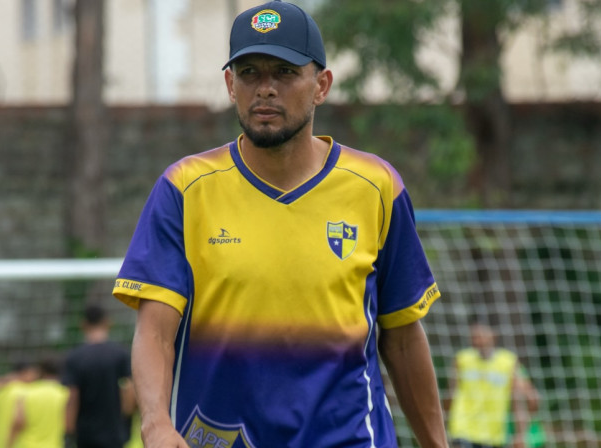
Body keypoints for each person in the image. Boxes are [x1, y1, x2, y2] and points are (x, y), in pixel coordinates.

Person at [112, 2, 447, 446]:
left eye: (285, 73)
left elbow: (402, 338)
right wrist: (155, 422)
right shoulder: (185, 188)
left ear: (321, 85)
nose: (265, 89)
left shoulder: (377, 186)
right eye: (249, 73)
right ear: (230, 85)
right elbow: (155, 332)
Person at [446, 322, 528, 448]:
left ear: (493, 336)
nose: (477, 340)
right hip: (462, 427)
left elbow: (517, 401)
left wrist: (520, 434)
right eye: (474, 337)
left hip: (493, 433)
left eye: (480, 336)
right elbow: (451, 395)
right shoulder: (462, 359)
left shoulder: (509, 362)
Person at [62, 304, 134, 448]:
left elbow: (73, 396)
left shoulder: (75, 357)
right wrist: (125, 421)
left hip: (86, 434)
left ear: (83, 324)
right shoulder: (120, 354)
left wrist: (69, 432)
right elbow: (128, 391)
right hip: (114, 432)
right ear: (108, 322)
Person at [7, 356, 69, 448]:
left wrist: (8, 445)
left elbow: (18, 422)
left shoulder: (27, 392)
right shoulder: (66, 394)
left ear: (41, 371)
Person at [0, 360, 40, 448]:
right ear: (26, 373)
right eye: (34, 374)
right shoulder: (28, 393)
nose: (35, 379)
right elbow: (18, 421)